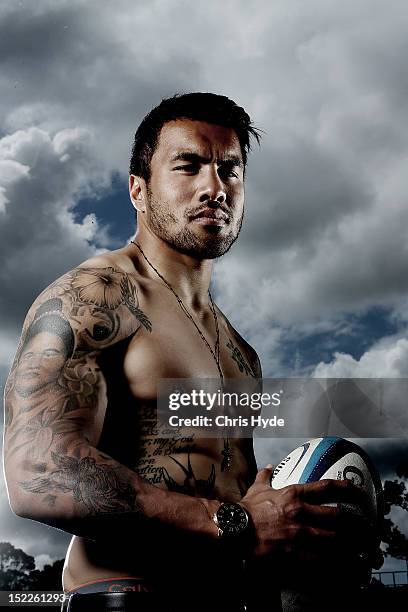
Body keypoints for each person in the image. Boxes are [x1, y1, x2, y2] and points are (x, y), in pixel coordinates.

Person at [3, 93, 381, 611]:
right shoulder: (95, 295)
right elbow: (35, 472)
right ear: (137, 190)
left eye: (231, 170)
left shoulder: (240, 351)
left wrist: (308, 536)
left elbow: (236, 495)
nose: (215, 187)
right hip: (126, 596)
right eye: (189, 166)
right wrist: (242, 523)